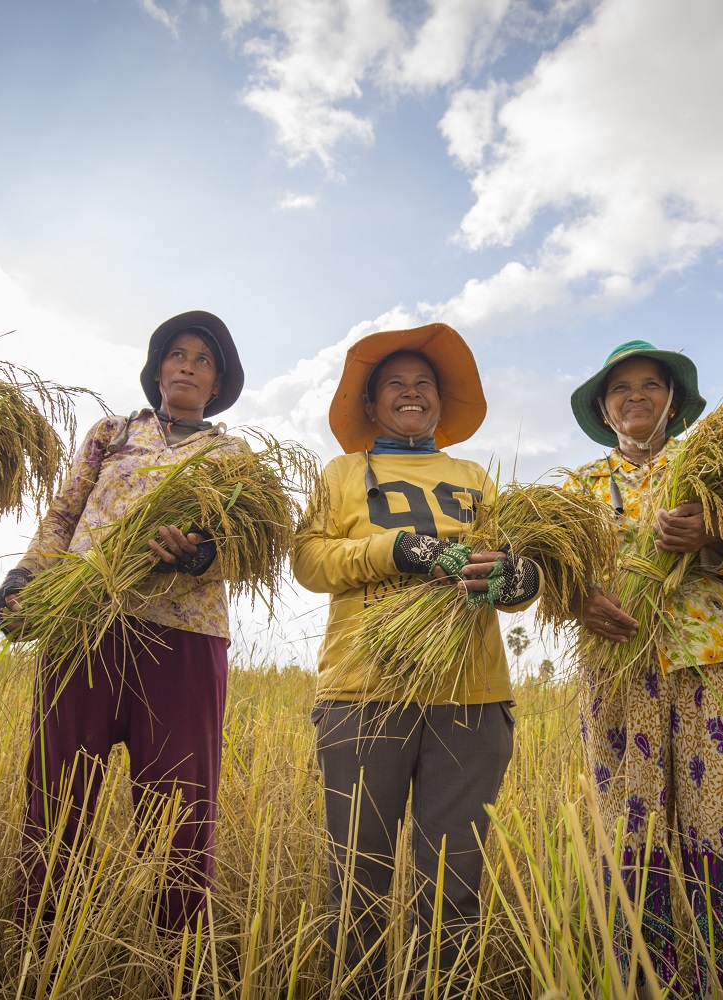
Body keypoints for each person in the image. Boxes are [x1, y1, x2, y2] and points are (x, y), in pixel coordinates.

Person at [292, 323, 541, 996]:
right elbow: (309, 561)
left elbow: (516, 567)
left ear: (439, 403)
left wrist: (519, 577)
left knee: (455, 886)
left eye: (423, 384)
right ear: (371, 406)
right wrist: (393, 551)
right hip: (363, 692)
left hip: (471, 696)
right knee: (357, 887)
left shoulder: (474, 477)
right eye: (394, 385)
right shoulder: (343, 474)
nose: (411, 393)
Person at [0, 310, 248, 934]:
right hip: (84, 624)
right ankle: (43, 944)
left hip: (184, 635)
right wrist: (25, 578)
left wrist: (203, 551)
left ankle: (175, 956)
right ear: (157, 368)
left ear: (216, 384)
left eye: (203, 359)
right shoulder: (111, 433)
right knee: (58, 792)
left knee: (180, 805)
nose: (187, 365)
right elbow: (64, 512)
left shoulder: (231, 455)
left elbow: (248, 542)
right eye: (177, 354)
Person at [566, 340, 723, 997]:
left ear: (674, 402)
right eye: (621, 388)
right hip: (620, 674)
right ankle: (640, 985)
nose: (636, 395)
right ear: (605, 411)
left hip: (715, 666)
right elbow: (557, 577)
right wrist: (578, 598)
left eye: (651, 384)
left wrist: (714, 540)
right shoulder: (579, 488)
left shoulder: (719, 471)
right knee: (630, 839)